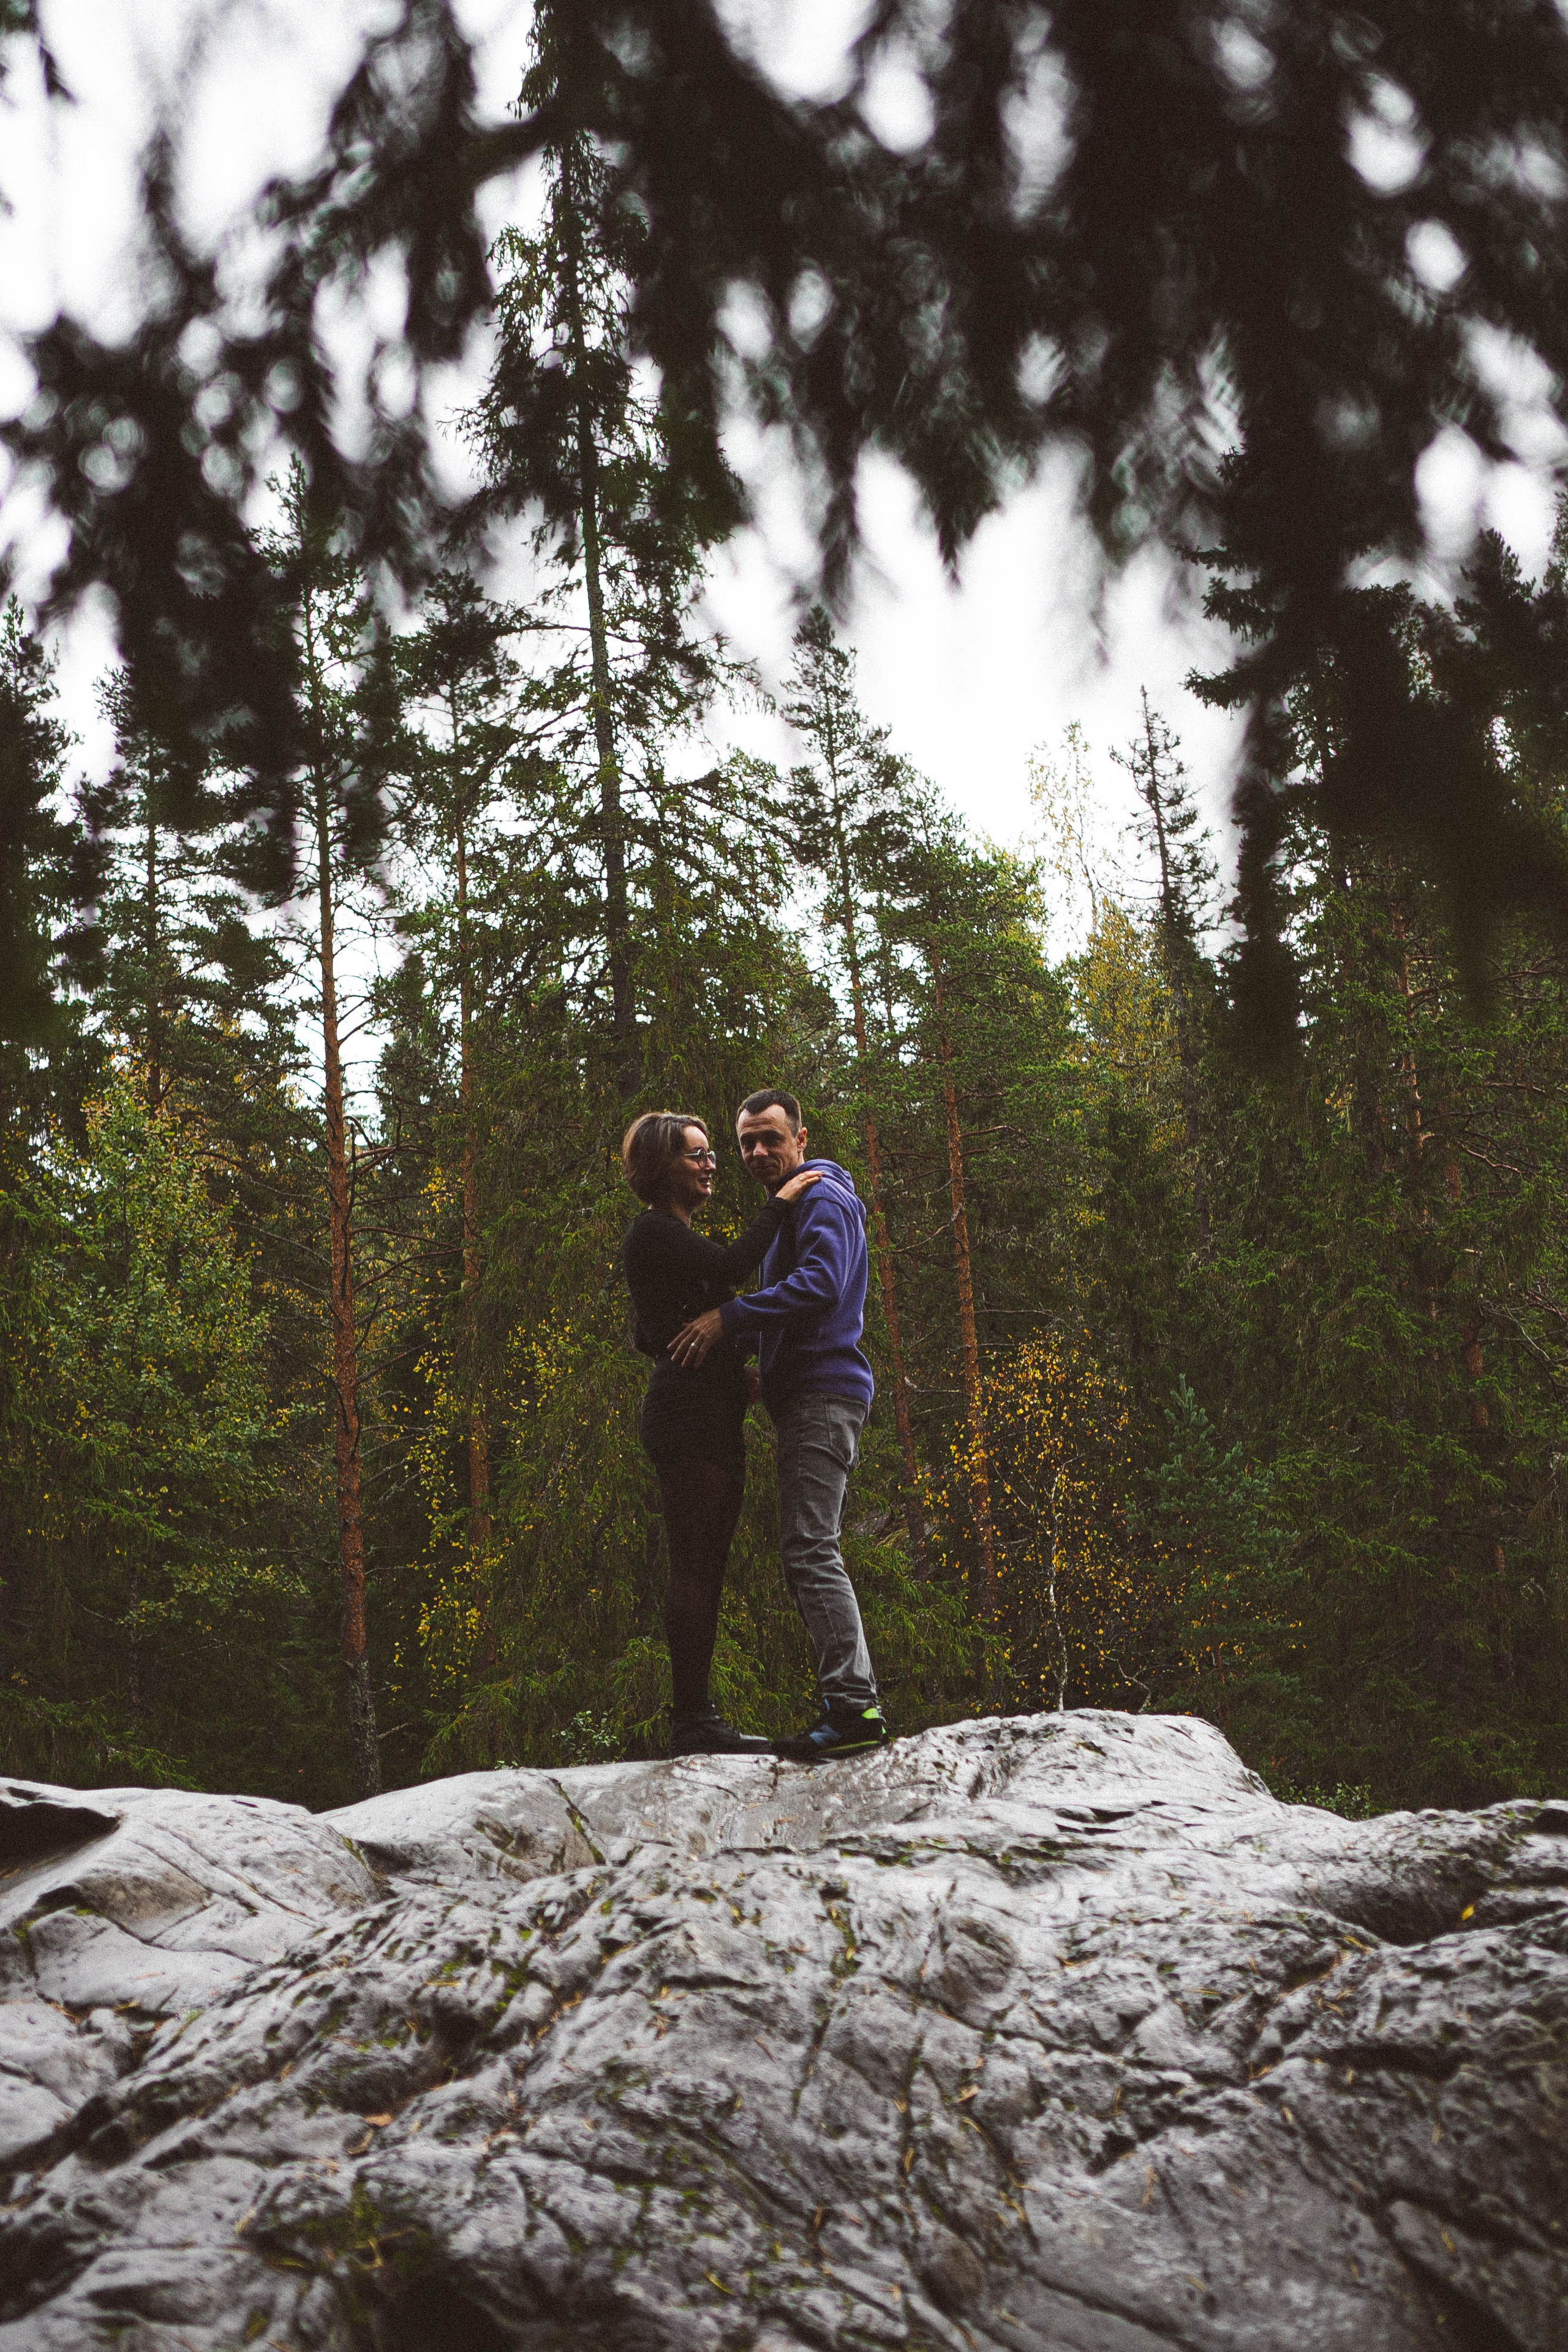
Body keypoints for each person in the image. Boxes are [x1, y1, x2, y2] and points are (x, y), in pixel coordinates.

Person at [669, 1089, 889, 1761]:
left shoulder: (819, 1197)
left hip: (825, 1393)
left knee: (811, 1548)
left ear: (801, 1137)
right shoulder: (806, 1203)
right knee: (809, 1546)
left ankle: (853, 1708)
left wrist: (729, 1317)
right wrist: (764, 1366)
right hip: (812, 1391)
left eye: (771, 1137)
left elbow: (822, 1284)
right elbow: (812, 1301)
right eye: (747, 1143)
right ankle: (851, 1703)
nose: (759, 1152)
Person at [621, 1109, 822, 1757]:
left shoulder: (672, 1238)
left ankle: (697, 1716)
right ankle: (691, 1720)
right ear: (663, 1168)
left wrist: (735, 1371)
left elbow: (649, 1333)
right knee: (695, 1568)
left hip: (707, 1414)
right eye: (697, 1155)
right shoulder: (655, 1230)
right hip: (688, 1421)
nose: (712, 1165)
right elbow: (735, 1266)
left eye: (711, 1154)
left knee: (706, 1568)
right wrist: (783, 1200)